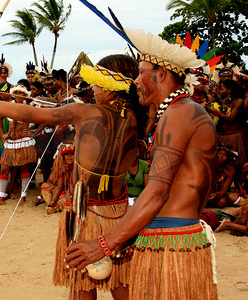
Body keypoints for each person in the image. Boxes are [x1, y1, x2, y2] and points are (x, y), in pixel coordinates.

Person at [0, 53, 146, 299]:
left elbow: (29, 114)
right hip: (118, 211)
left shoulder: (86, 112)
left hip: (87, 212)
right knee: (121, 281)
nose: (92, 88)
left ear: (110, 85)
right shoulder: (139, 115)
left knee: (82, 279)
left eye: (97, 82)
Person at [61, 28, 218, 299]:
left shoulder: (180, 112)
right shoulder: (181, 111)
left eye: (140, 73)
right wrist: (134, 234)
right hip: (171, 235)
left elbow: (158, 191)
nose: (134, 82)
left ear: (162, 74)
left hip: (173, 240)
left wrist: (104, 243)